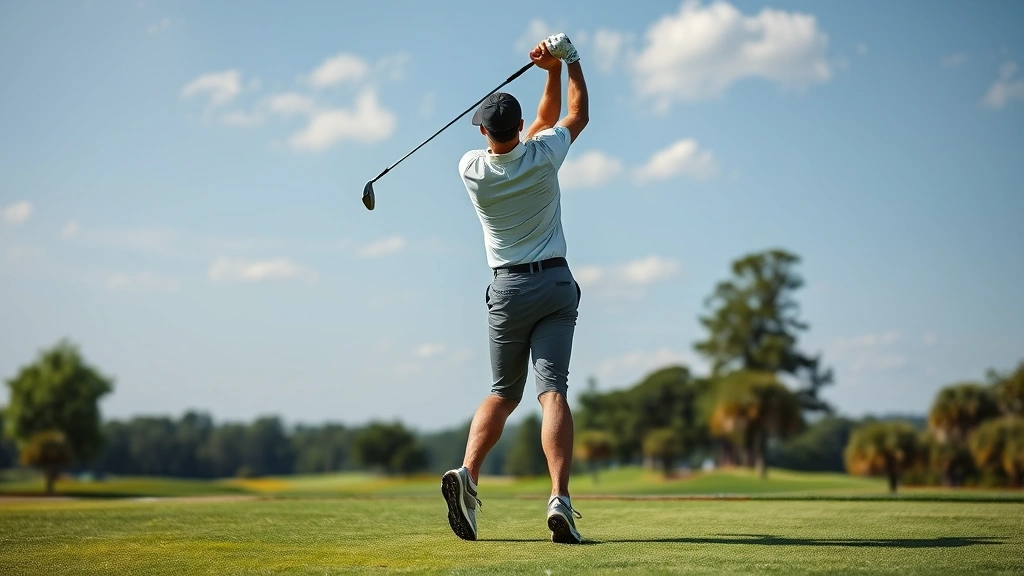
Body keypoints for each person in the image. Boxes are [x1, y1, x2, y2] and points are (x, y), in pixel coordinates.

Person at [441, 33, 589, 545]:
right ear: (520, 128)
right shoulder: (544, 155)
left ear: (483, 130)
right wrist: (567, 64)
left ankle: (468, 473)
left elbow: (541, 123)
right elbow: (574, 114)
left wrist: (549, 69)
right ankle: (559, 500)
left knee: (503, 393)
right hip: (553, 284)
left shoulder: (471, 169)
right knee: (553, 394)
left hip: (506, 291)